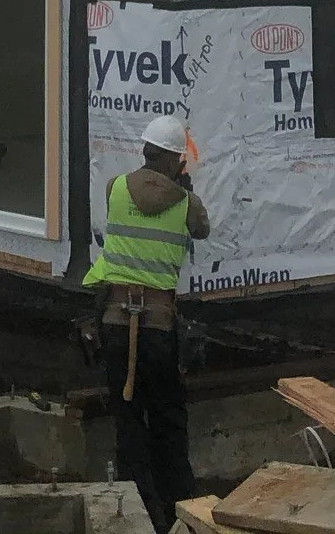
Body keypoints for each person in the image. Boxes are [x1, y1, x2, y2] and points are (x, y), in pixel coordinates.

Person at [83, 113, 210, 533]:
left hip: (116, 325)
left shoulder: (114, 188)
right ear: (176, 160)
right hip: (158, 330)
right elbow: (203, 229)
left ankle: (139, 514)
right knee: (169, 421)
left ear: (144, 151)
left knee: (128, 421)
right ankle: (182, 514)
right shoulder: (186, 203)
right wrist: (184, 190)